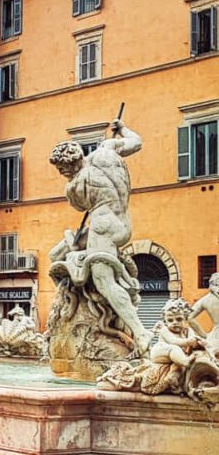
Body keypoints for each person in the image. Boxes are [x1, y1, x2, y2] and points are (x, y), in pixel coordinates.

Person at [48, 120, 149, 353]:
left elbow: (79, 206)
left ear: (71, 164)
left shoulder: (74, 185)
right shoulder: (106, 150)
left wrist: (73, 183)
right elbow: (136, 142)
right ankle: (73, 295)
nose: (62, 173)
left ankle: (140, 331)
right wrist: (122, 128)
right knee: (57, 254)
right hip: (121, 223)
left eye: (62, 169)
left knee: (104, 281)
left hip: (102, 225)